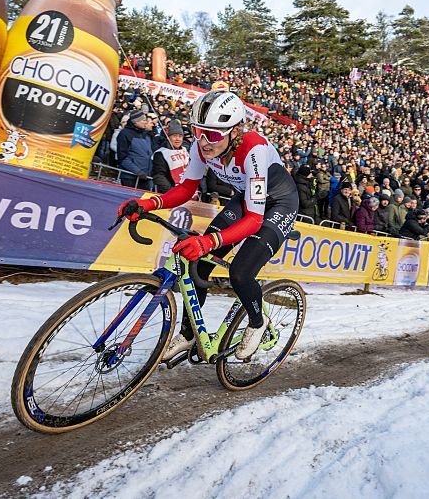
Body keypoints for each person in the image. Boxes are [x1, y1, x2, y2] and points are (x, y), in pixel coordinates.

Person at [118, 90, 298, 361]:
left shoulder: (254, 150)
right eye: (197, 131)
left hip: (280, 204)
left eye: (212, 135)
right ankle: (189, 335)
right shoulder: (202, 146)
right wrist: (149, 203)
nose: (203, 142)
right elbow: (186, 189)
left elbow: (254, 220)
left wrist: (208, 241)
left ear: (234, 131)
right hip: (247, 199)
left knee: (240, 272)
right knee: (198, 263)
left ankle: (257, 323)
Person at [116, 108, 154, 189]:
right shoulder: (124, 134)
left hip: (145, 177)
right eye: (143, 120)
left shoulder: (145, 134)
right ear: (136, 121)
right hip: (130, 177)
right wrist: (138, 171)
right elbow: (122, 157)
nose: (146, 122)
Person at [151, 119, 190, 192]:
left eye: (180, 136)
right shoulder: (161, 153)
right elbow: (159, 176)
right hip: (170, 192)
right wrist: (172, 192)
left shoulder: (184, 150)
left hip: (186, 191)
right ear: (168, 137)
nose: (177, 139)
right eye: (174, 136)